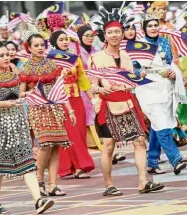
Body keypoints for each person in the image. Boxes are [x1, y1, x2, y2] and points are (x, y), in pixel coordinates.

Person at [88, 8, 165, 196]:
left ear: (123, 33)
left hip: (128, 103)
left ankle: (143, 182)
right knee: (108, 146)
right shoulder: (95, 58)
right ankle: (108, 185)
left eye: (117, 31)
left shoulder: (127, 56)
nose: (114, 35)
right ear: (104, 36)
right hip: (108, 106)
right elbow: (90, 86)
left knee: (139, 141)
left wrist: (139, 77)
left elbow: (131, 81)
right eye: (110, 32)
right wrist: (99, 89)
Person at [0, 40, 54, 215]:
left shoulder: (15, 76)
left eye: (7, 54)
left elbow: (18, 95)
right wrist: (2, 104)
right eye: (2, 55)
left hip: (18, 124)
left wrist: (29, 94)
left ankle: (38, 200)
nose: (6, 57)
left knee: (27, 163)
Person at [19, 28, 76, 196]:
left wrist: (70, 110)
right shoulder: (26, 67)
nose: (39, 48)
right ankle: (39, 179)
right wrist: (30, 93)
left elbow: (61, 90)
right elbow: (20, 93)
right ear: (28, 48)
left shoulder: (52, 64)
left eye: (42, 45)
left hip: (55, 108)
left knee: (56, 146)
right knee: (45, 144)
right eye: (35, 45)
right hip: (38, 109)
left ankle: (52, 184)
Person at [135, 17, 187, 175]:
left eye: (155, 25)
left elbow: (170, 63)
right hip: (148, 90)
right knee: (162, 124)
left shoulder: (165, 42)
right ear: (144, 29)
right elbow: (133, 68)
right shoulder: (138, 46)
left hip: (165, 88)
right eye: (149, 26)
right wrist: (139, 72)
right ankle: (176, 159)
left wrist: (174, 73)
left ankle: (152, 161)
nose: (153, 28)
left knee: (157, 124)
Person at [49, 30, 95, 179]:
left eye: (66, 39)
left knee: (80, 134)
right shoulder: (50, 60)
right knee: (70, 134)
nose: (64, 42)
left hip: (77, 99)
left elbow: (82, 79)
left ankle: (73, 167)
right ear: (55, 41)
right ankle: (81, 166)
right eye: (61, 39)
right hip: (61, 101)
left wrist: (93, 99)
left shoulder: (75, 58)